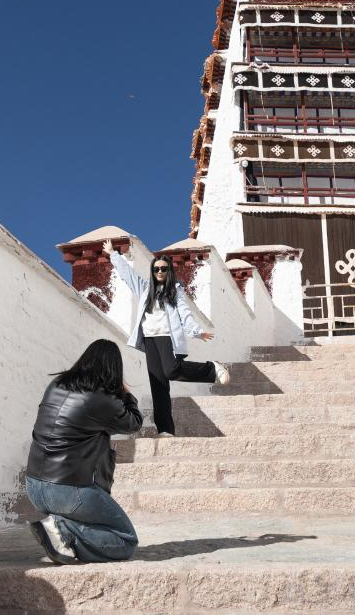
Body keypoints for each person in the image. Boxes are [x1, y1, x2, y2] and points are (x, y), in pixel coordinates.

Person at [25, 339, 144, 565]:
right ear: (114, 369)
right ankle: (62, 528)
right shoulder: (102, 399)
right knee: (125, 540)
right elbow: (134, 423)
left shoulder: (57, 384)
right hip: (66, 491)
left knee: (97, 521)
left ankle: (60, 529)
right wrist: (125, 394)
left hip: (34, 485)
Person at [103, 240, 229, 437]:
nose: (160, 272)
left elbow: (184, 312)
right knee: (158, 385)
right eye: (156, 269)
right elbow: (127, 274)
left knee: (171, 370)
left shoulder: (175, 291)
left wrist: (196, 331)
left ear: (169, 271)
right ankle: (165, 430)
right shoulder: (144, 289)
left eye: (163, 269)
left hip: (167, 337)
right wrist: (113, 254)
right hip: (149, 340)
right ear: (152, 272)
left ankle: (212, 368)